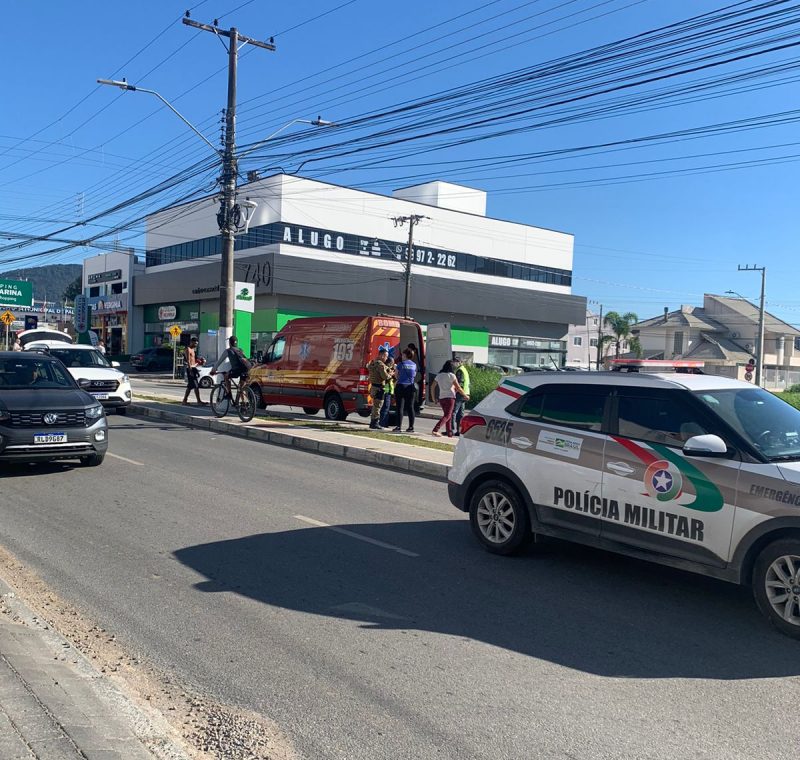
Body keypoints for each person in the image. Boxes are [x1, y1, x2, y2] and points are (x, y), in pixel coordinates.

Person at [431, 360, 468, 437]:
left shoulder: (439, 375)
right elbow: (458, 387)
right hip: (450, 397)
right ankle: (435, 429)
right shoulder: (452, 375)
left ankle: (449, 433)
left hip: (442, 398)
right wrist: (465, 395)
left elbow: (432, 386)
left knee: (448, 416)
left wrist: (433, 397)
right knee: (448, 415)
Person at [393, 348, 418, 433]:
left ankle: (398, 427)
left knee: (400, 407)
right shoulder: (414, 365)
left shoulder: (400, 364)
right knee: (410, 407)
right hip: (410, 387)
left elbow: (396, 376)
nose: (402, 356)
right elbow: (414, 375)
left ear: (406, 355)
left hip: (401, 386)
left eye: (403, 355)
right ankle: (411, 427)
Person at [367, 346, 390, 430]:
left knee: (375, 406)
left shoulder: (372, 363)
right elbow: (385, 377)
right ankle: (375, 423)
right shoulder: (380, 365)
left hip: (373, 387)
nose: (386, 358)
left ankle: (373, 422)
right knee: (378, 406)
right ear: (382, 355)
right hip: (379, 387)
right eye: (386, 356)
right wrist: (390, 374)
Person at [182, 337, 207, 406]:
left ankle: (185, 400)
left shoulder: (193, 350)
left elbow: (193, 360)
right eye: (195, 343)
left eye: (197, 344)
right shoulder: (188, 349)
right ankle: (198, 401)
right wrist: (190, 370)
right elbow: (188, 361)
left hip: (193, 368)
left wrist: (200, 362)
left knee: (190, 386)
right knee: (195, 385)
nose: (196, 345)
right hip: (190, 368)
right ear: (191, 342)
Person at [452, 356, 471, 436]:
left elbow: (459, 384)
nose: (454, 363)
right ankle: (459, 431)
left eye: (455, 362)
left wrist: (455, 392)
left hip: (460, 394)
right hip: (465, 394)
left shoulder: (459, 371)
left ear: (459, 362)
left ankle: (451, 430)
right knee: (461, 414)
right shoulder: (464, 370)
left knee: (453, 412)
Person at [379, 356, 396, 429]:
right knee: (385, 407)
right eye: (392, 363)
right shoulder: (386, 369)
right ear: (390, 363)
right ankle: (383, 423)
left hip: (388, 390)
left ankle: (384, 423)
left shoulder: (388, 368)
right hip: (386, 390)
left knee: (386, 407)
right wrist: (392, 373)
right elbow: (388, 378)